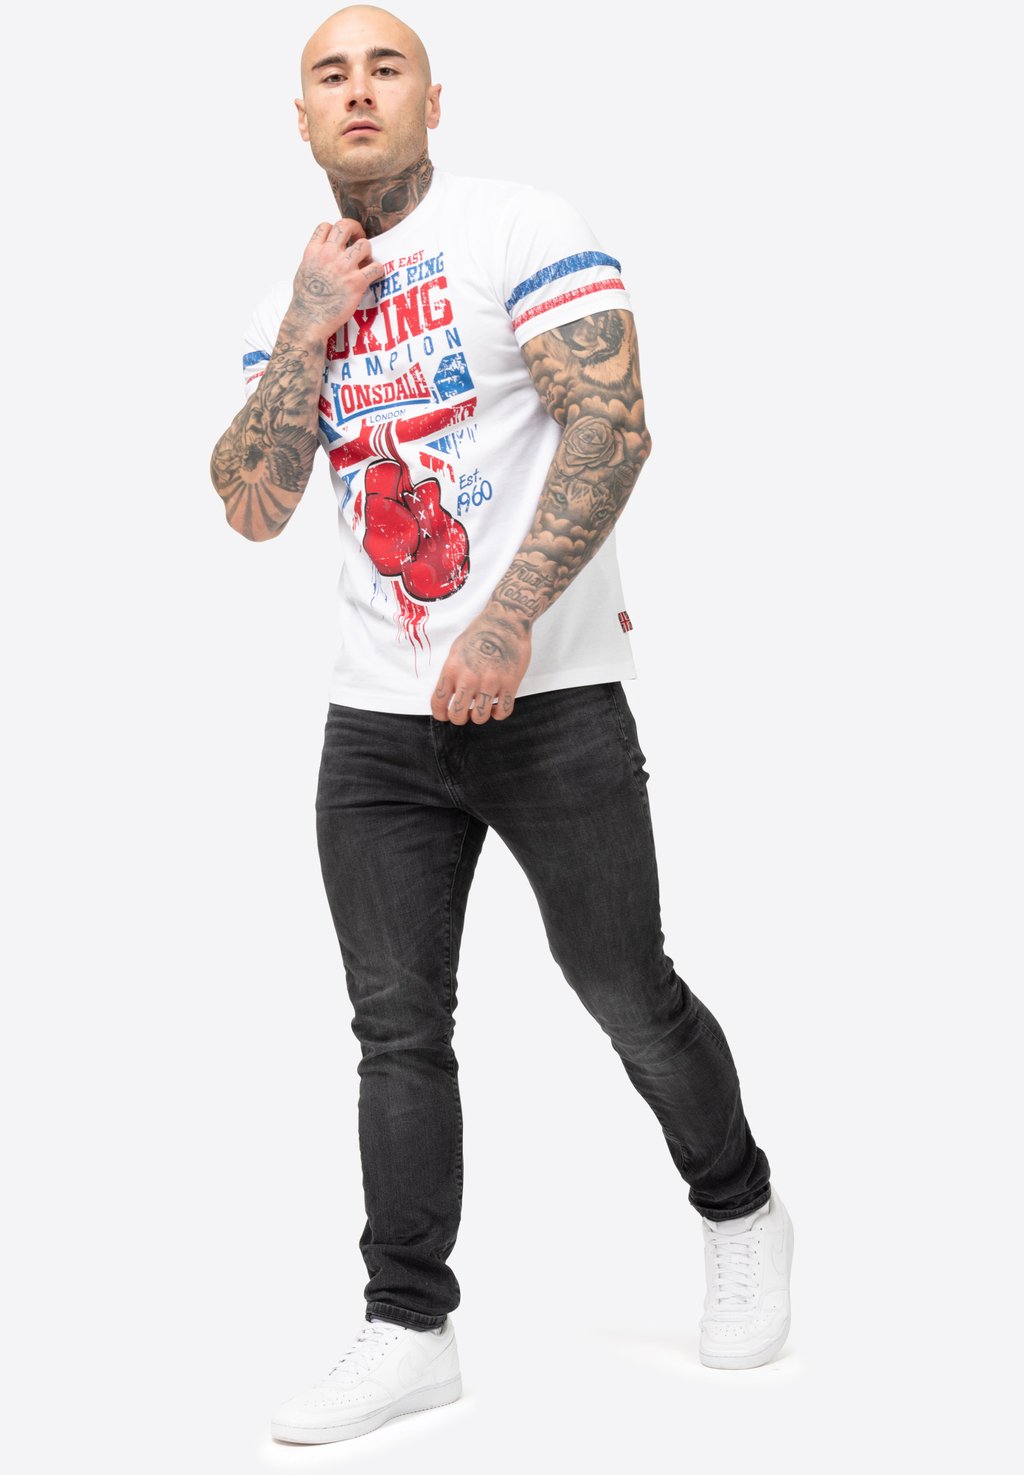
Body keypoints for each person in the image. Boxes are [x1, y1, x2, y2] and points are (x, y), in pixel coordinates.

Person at [210, 4, 795, 1446]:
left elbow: (615, 423)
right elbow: (251, 505)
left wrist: (509, 617)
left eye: (386, 67)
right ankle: (409, 1325)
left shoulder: (515, 226)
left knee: (624, 988)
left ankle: (739, 1206)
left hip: (551, 704)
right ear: (301, 118)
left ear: (432, 99)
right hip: (375, 726)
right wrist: (305, 325)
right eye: (330, 74)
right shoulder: (299, 297)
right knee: (396, 1029)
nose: (358, 91)